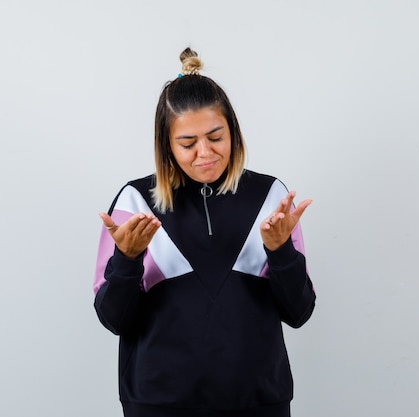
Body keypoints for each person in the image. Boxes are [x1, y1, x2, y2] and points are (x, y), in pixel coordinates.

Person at [93, 47, 316, 417]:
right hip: (158, 404)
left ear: (234, 132)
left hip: (258, 401)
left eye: (216, 136)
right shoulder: (135, 202)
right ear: (167, 145)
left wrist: (281, 253)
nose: (205, 153)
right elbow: (114, 319)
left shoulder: (271, 198)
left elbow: (299, 312)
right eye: (187, 143)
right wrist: (127, 260)